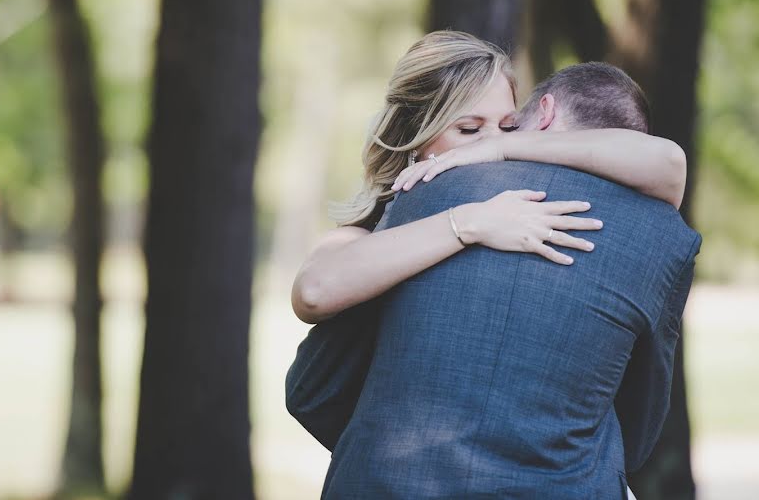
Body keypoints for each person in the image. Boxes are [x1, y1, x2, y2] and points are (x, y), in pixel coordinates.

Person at [286, 32, 696, 497]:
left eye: (504, 125)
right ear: (414, 138)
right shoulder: (368, 235)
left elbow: (667, 162)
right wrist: (468, 222)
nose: (484, 145)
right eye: (467, 129)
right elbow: (315, 291)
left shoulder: (517, 190)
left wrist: (502, 150)